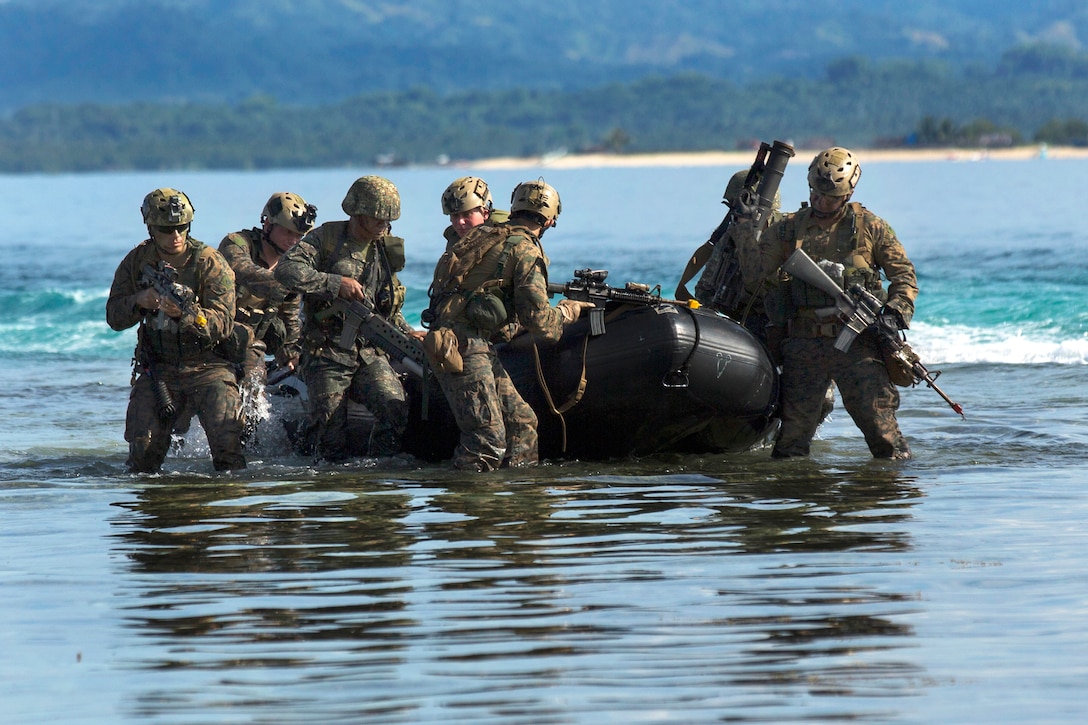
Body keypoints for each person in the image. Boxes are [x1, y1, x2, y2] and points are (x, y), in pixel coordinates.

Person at [738, 147, 918, 459]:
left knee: (883, 435)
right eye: (816, 193)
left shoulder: (872, 228)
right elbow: (754, 276)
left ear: (847, 194)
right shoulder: (790, 228)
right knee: (791, 442)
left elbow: (904, 277)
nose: (821, 202)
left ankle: (890, 499)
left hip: (858, 343)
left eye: (830, 197)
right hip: (804, 345)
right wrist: (745, 229)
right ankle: (794, 502)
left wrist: (895, 313)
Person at [423, 179, 593, 471]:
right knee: (486, 440)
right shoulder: (525, 249)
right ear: (551, 220)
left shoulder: (487, 236)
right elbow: (544, 326)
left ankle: (518, 500)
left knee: (523, 424)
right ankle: (458, 507)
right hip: (462, 348)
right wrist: (568, 311)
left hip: (471, 344)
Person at [106, 187, 246, 473]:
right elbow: (114, 317)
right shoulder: (136, 262)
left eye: (182, 228)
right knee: (142, 457)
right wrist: (138, 302)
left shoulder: (210, 262)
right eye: (167, 230)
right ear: (151, 229)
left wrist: (188, 315)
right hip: (160, 369)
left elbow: (223, 323)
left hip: (209, 367)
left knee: (228, 452)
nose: (176, 236)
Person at [274, 175, 412, 461]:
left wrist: (408, 332)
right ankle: (331, 494)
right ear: (358, 212)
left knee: (394, 407)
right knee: (330, 433)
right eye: (376, 218)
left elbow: (388, 304)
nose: (383, 224)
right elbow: (286, 270)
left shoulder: (384, 248)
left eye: (387, 219)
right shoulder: (326, 238)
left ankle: (379, 477)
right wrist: (336, 284)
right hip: (327, 353)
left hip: (369, 351)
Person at [217, 192, 317, 439]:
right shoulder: (237, 244)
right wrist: (294, 281)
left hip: (251, 344)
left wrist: (291, 354)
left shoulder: (291, 265)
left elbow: (289, 316)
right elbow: (243, 271)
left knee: (254, 386)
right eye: (288, 232)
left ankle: (249, 441)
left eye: (299, 235)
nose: (294, 240)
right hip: (214, 336)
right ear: (268, 225)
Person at [686, 169, 782, 344]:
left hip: (780, 323)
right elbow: (705, 291)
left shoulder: (786, 233)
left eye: (736, 207)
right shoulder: (729, 240)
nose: (734, 214)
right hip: (746, 323)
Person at [440, 175, 508, 247]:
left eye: (467, 214)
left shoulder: (504, 241)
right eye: (455, 215)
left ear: (485, 214)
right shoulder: (455, 241)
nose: (460, 222)